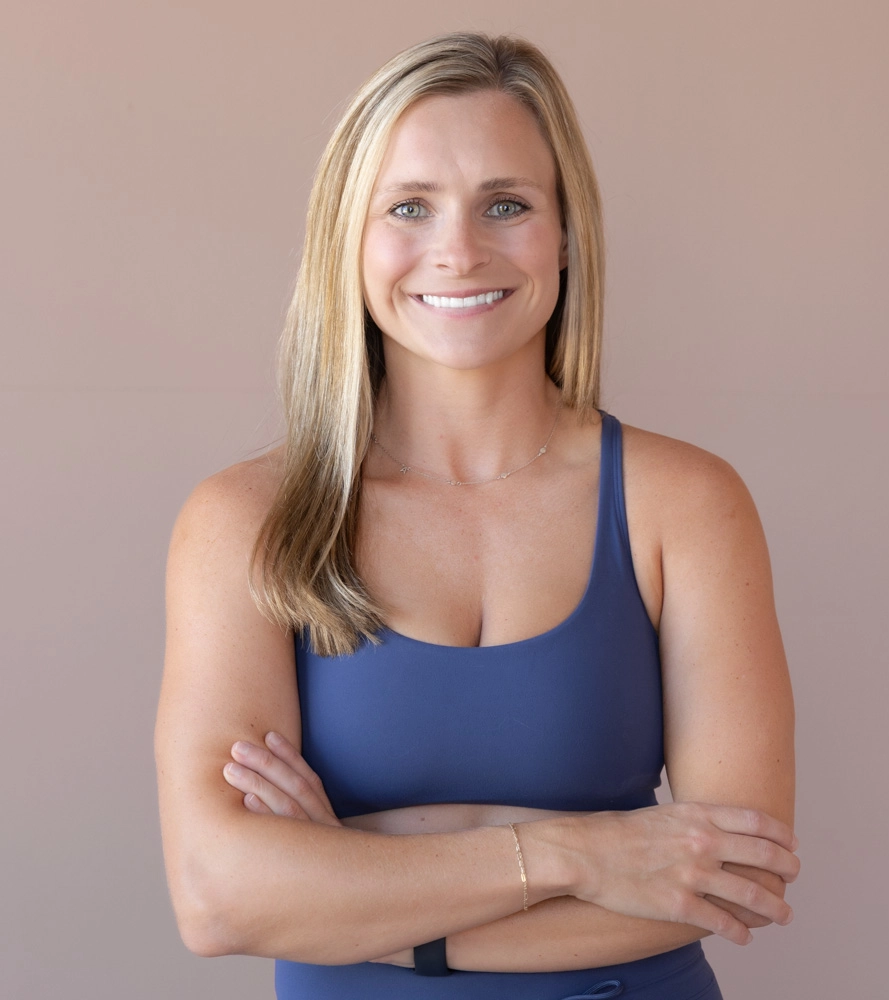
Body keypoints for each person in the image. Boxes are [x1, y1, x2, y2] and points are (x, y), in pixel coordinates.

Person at [156, 31, 798, 1000]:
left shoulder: (687, 503)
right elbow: (218, 897)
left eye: (507, 203)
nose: (458, 250)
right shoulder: (246, 521)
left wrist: (355, 884)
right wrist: (581, 852)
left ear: (567, 233)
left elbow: (734, 874)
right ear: (350, 238)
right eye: (409, 207)